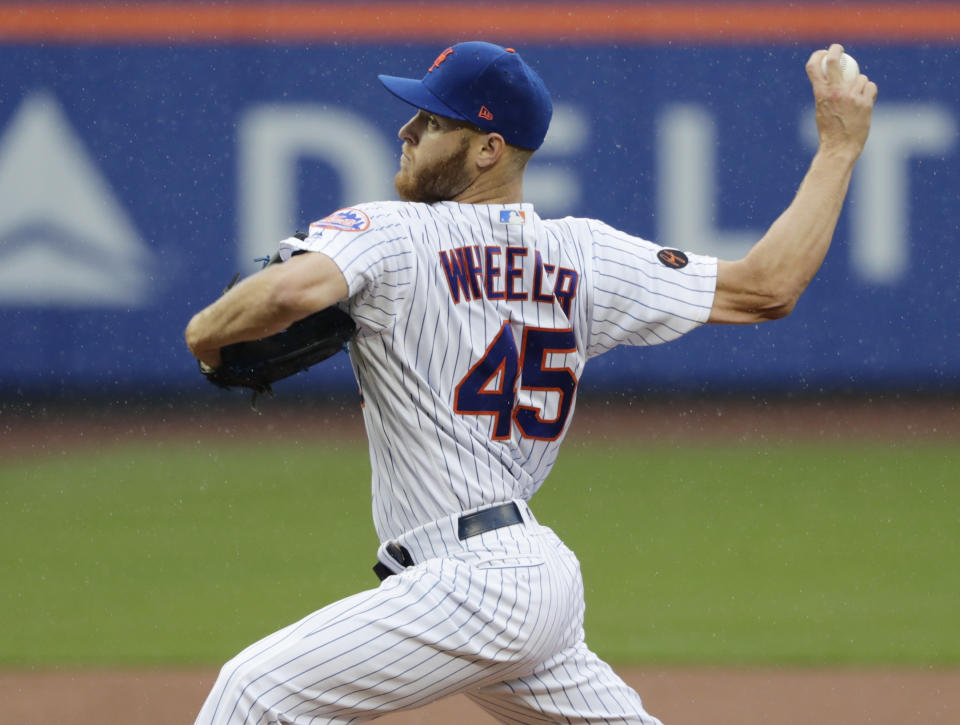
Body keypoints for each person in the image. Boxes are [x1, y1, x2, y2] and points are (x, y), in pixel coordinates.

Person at [185, 41, 876, 724]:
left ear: (487, 149)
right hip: (529, 580)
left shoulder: (393, 231)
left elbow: (288, 292)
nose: (406, 130)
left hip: (471, 581)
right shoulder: (585, 253)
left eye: (430, 121)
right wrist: (839, 149)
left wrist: (205, 338)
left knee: (252, 691)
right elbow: (768, 286)